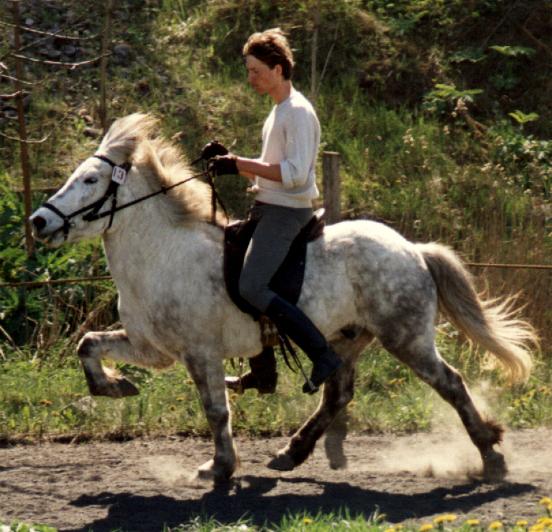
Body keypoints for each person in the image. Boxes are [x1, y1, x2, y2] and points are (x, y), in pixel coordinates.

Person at [209, 28, 342, 394]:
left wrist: (238, 164)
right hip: (267, 207)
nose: (250, 77)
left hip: (288, 212)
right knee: (228, 265)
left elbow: (296, 176)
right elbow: (271, 168)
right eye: (249, 70)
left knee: (251, 285)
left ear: (279, 69)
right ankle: (263, 373)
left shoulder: (297, 112)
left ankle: (323, 355)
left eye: (256, 70)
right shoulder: (277, 113)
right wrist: (229, 160)